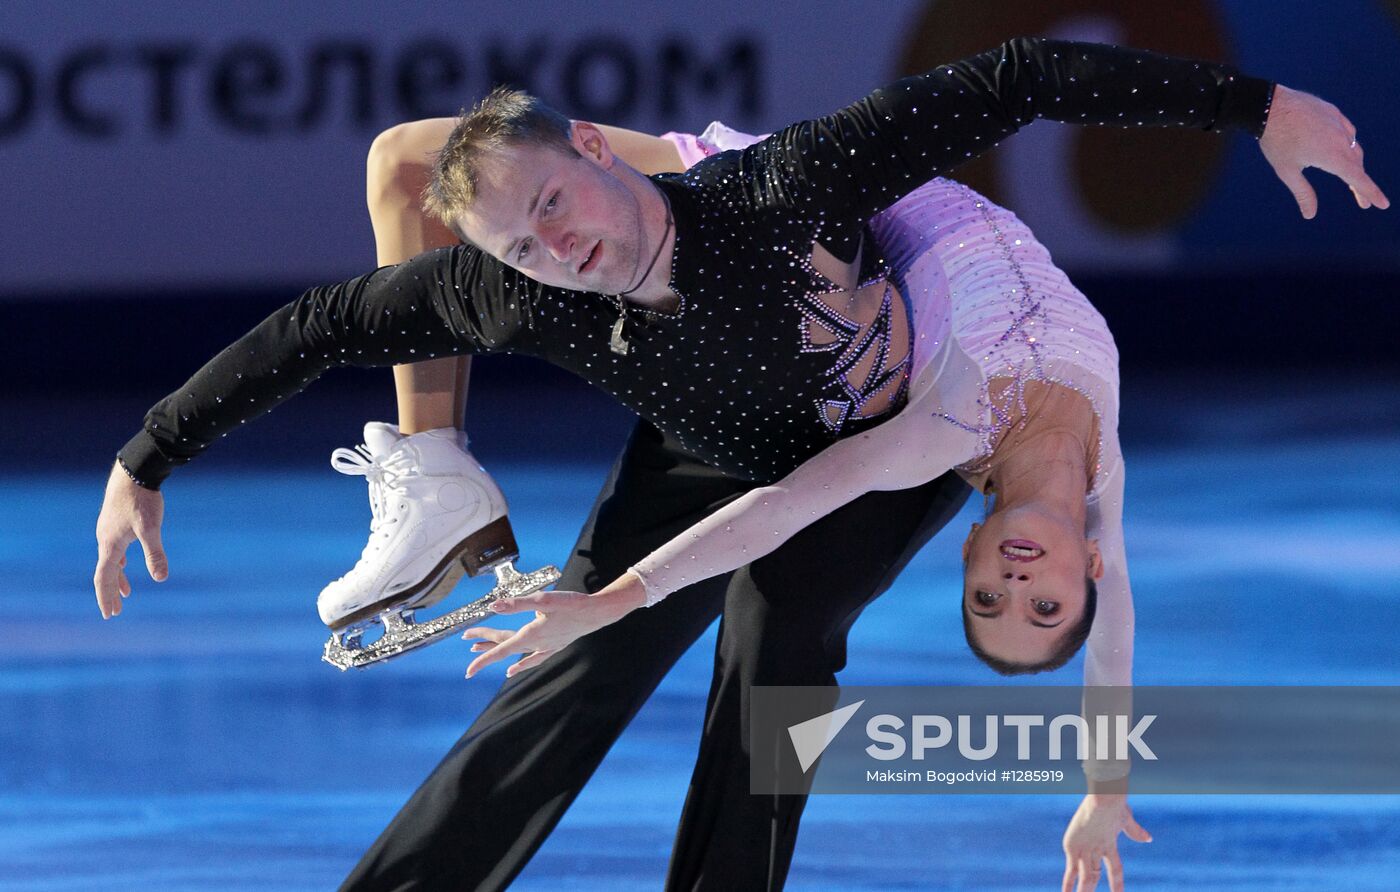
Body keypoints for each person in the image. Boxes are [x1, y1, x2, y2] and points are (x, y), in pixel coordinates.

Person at [91, 38, 1384, 891]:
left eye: (557, 209)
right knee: (575, 655)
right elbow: (328, 322)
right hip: (717, 438)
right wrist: (149, 454)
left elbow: (1007, 86)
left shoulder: (792, 205)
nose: (556, 247)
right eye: (525, 244)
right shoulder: (528, 289)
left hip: (878, 448)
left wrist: (1256, 106)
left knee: (783, 651)